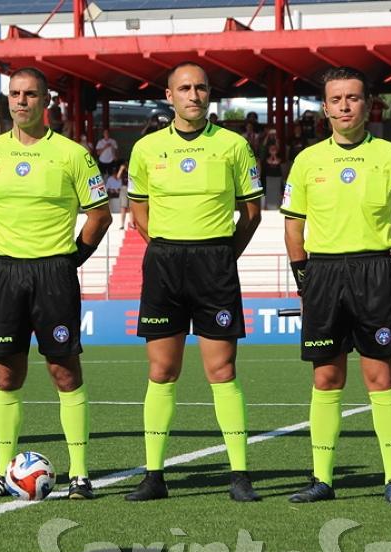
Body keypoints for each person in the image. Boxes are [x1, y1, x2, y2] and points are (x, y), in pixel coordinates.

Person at [0, 67, 111, 500]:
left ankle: (80, 474)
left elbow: (99, 215)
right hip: (8, 274)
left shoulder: (72, 154)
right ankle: (0, 471)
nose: (21, 101)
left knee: (64, 371)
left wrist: (71, 260)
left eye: (30, 94)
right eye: (15, 94)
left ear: (46, 101)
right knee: (6, 374)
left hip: (54, 274)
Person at [122, 62, 263, 502]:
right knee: (161, 371)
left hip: (214, 264)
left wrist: (221, 255)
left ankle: (239, 474)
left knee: (222, 370)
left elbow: (251, 214)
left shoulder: (234, 145)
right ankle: (154, 476)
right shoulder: (146, 148)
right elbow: (139, 211)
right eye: (184, 88)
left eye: (200, 88)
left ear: (209, 94)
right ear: (169, 96)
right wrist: (169, 247)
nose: (193, 95)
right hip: (164, 264)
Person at [281, 66, 391, 505]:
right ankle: (322, 479)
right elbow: (293, 226)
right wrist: (305, 283)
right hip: (323, 273)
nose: (345, 106)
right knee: (326, 377)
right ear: (325, 108)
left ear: (368, 104)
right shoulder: (307, 160)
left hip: (374, 270)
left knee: (381, 375)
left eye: (353, 98)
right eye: (336, 99)